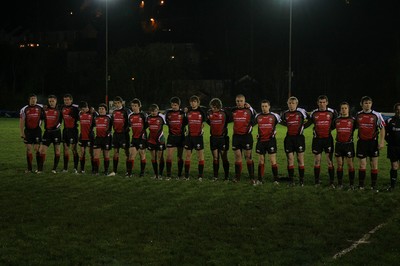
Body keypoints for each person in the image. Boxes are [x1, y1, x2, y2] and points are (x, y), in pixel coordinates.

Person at [305, 95, 338, 187]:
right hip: (317, 140)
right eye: (320, 102)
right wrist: (299, 126)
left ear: (327, 102)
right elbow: (308, 123)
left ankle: (331, 182)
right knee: (317, 161)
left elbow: (337, 122)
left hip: (328, 139)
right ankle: (316, 182)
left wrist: (330, 129)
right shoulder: (314, 113)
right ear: (317, 103)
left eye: (324, 102)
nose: (322, 104)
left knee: (329, 161)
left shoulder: (332, 112)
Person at [355, 96, 386, 190]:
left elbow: (382, 128)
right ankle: (361, 186)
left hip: (373, 143)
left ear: (371, 104)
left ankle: (373, 186)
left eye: (369, 103)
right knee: (362, 165)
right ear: (361, 104)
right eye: (365, 103)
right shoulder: (358, 115)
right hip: (362, 143)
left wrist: (381, 142)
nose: (367, 105)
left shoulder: (377, 115)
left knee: (374, 164)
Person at [281, 96, 309, 186]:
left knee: (300, 159)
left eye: (293, 103)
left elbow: (311, 119)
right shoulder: (285, 113)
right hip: (289, 139)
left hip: (299, 138)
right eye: (289, 103)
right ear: (287, 104)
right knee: (290, 159)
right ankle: (291, 181)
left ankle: (301, 181)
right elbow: (281, 121)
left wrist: (303, 126)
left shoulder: (301, 112)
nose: (291, 105)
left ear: (296, 104)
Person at [230, 94, 256, 182]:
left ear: (244, 101)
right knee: (237, 156)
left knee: (248, 156)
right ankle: (237, 177)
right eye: (237, 101)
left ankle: (252, 177)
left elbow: (256, 116)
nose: (239, 103)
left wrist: (251, 107)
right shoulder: (233, 110)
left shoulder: (249, 110)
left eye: (241, 101)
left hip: (246, 137)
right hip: (236, 137)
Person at [254, 100, 281, 185]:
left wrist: (275, 131)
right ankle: (260, 180)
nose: (264, 108)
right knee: (261, 161)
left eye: (266, 106)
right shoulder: (258, 116)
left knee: (273, 160)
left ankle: (276, 180)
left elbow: (284, 123)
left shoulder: (274, 116)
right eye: (262, 106)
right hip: (261, 141)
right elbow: (250, 124)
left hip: (271, 141)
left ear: (269, 107)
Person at [207, 98, 231, 181]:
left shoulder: (224, 113)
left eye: (214, 107)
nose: (213, 109)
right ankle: (215, 176)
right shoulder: (209, 113)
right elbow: (208, 121)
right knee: (215, 158)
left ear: (218, 107)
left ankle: (226, 177)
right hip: (213, 138)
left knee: (224, 157)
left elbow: (230, 118)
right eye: (212, 107)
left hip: (223, 138)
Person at [19, 93, 44, 173]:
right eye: (32, 98)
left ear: (36, 100)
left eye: (35, 98)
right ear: (29, 100)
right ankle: (29, 169)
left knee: (37, 149)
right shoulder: (24, 109)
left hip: (37, 131)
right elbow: (22, 121)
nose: (33, 100)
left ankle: (39, 169)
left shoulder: (41, 107)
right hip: (28, 131)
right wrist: (22, 132)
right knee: (29, 149)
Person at [184, 95, 207, 181]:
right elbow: (184, 122)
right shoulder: (188, 111)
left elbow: (205, 122)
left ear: (198, 103)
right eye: (191, 102)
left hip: (198, 137)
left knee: (200, 156)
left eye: (195, 102)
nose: (193, 103)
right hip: (189, 137)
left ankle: (200, 176)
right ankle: (186, 176)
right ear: (190, 103)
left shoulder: (202, 111)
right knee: (187, 156)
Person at [334, 102, 356, 189]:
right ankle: (340, 184)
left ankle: (351, 185)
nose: (344, 110)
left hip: (349, 145)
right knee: (339, 164)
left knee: (350, 164)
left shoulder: (353, 120)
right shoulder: (336, 120)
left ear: (348, 109)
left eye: (345, 108)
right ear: (340, 110)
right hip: (339, 145)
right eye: (342, 108)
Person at [37, 95, 62, 173]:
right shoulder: (45, 109)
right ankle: (40, 169)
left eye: (53, 101)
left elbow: (61, 121)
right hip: (47, 132)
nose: (51, 103)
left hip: (56, 133)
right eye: (50, 101)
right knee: (42, 151)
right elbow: (40, 118)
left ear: (56, 101)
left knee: (57, 151)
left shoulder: (60, 109)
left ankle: (54, 169)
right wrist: (39, 125)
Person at [108, 96, 130, 177]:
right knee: (115, 152)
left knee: (127, 152)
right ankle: (114, 171)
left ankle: (128, 171)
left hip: (124, 135)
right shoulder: (113, 112)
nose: (117, 105)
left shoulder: (126, 111)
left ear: (121, 103)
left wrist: (126, 130)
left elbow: (130, 122)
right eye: (115, 103)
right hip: (116, 134)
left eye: (118, 103)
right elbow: (112, 122)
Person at [165, 97, 187, 179]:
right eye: (172, 105)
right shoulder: (168, 113)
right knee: (169, 156)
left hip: (181, 137)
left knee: (180, 156)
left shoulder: (182, 113)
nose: (173, 106)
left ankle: (180, 174)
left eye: (175, 105)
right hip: (171, 137)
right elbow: (168, 123)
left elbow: (185, 123)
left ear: (179, 105)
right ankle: (168, 175)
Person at [127, 98, 147, 177]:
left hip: (142, 138)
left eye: (135, 106)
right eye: (132, 106)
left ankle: (142, 172)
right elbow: (128, 125)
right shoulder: (130, 116)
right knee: (131, 155)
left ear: (139, 106)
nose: (133, 107)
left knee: (142, 154)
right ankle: (129, 173)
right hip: (134, 138)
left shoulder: (143, 115)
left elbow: (146, 125)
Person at [61, 93, 80, 173]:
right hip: (65, 131)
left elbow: (83, 111)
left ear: (71, 100)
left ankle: (75, 168)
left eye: (68, 100)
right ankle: (65, 168)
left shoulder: (76, 108)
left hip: (73, 131)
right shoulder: (62, 107)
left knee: (74, 149)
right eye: (65, 100)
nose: (66, 101)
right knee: (65, 149)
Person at [146, 104, 166, 179]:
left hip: (160, 139)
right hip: (151, 139)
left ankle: (160, 174)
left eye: (155, 111)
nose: (153, 112)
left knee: (160, 157)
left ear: (158, 111)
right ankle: (155, 174)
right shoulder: (148, 118)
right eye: (152, 111)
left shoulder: (161, 117)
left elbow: (169, 124)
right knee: (153, 157)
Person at [92, 103, 112, 175]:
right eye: (100, 109)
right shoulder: (96, 118)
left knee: (106, 155)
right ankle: (96, 171)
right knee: (96, 155)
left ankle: (106, 171)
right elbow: (93, 127)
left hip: (106, 138)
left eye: (102, 109)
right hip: (98, 138)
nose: (101, 110)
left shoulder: (109, 118)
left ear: (106, 110)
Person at [385, 103, 400, 191]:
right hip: (393, 148)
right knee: (394, 166)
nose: (399, 111)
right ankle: (392, 185)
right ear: (395, 110)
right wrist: (390, 142)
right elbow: (385, 134)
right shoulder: (390, 121)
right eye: (397, 109)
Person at [78, 101, 95, 174]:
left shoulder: (93, 113)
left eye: (82, 109)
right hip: (82, 136)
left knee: (91, 152)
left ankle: (93, 169)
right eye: (81, 110)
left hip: (90, 136)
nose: (81, 111)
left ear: (86, 108)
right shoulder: (80, 114)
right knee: (82, 152)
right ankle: (82, 170)